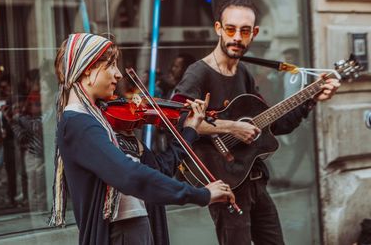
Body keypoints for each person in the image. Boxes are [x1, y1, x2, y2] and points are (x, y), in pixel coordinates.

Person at [172, 0, 341, 245]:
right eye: (230, 29)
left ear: (254, 33)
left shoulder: (245, 75)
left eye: (245, 30)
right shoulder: (199, 73)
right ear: (218, 28)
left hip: (253, 180)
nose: (237, 37)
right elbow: (178, 121)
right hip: (224, 184)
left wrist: (311, 98)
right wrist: (230, 128)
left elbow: (274, 124)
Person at [48, 33, 235, 245]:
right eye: (111, 65)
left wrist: (190, 130)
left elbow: (158, 170)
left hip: (138, 227)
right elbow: (129, 175)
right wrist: (200, 195)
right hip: (118, 234)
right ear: (88, 68)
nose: (118, 74)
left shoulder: (103, 122)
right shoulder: (78, 123)